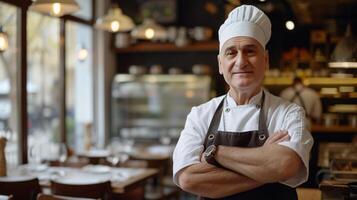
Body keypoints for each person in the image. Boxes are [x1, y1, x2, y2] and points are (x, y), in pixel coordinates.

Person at [172, 5, 313, 200]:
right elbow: (188, 179)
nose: (241, 62)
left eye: (250, 51)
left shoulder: (289, 112)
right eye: (231, 52)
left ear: (266, 60)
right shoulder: (200, 114)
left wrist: (215, 153)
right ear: (221, 64)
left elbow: (285, 165)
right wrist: (267, 166)